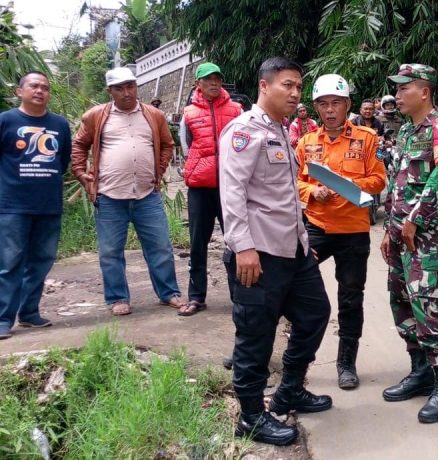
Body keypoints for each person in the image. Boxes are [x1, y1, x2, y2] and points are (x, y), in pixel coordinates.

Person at [219, 57, 333, 446]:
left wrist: (304, 240)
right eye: (288, 85)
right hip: (259, 253)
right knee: (255, 335)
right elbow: (232, 193)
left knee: (315, 314)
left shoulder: (283, 131)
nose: (295, 93)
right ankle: (250, 416)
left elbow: (285, 195)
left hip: (293, 249)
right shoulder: (243, 132)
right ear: (264, 86)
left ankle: (289, 391)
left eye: (299, 87)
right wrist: (243, 247)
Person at [380, 63, 438, 424]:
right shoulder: (407, 133)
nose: (397, 95)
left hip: (423, 235)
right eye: (396, 89)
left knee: (426, 304)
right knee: (400, 301)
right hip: (400, 233)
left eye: (404, 88)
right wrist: (390, 227)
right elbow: (398, 183)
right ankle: (420, 370)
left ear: (424, 91)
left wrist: (415, 219)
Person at [296, 75, 386, 390]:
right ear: (316, 107)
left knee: (350, 298)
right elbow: (293, 182)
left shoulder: (367, 137)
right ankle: (297, 357)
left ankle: (346, 363)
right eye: (323, 104)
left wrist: (347, 187)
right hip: (316, 228)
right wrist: (311, 191)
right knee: (296, 286)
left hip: (353, 231)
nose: (330, 110)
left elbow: (378, 180)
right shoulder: (306, 143)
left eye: (336, 103)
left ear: (347, 105)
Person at [72, 67, 186, 316]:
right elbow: (79, 145)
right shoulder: (95, 116)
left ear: (136, 86)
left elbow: (167, 144)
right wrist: (82, 175)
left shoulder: (153, 115)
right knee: (111, 251)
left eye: (130, 86)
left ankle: (169, 293)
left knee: (160, 247)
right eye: (119, 88)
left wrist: (159, 169)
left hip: (147, 195)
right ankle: (117, 298)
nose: (126, 92)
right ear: (110, 91)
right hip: (110, 196)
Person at [0, 71, 71, 340]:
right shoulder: (6, 120)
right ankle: (3, 318)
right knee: (10, 262)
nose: (40, 91)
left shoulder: (60, 124)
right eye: (34, 86)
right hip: (12, 205)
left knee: (41, 261)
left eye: (45, 87)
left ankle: (29, 313)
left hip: (48, 204)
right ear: (20, 91)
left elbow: (61, 161)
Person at [178, 62, 242, 316]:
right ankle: (196, 297)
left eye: (217, 79)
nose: (214, 83)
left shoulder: (237, 110)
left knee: (236, 240)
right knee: (197, 243)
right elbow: (185, 146)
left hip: (230, 187)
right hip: (200, 187)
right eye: (208, 80)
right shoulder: (189, 113)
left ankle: (240, 295)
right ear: (198, 84)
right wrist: (196, 169)